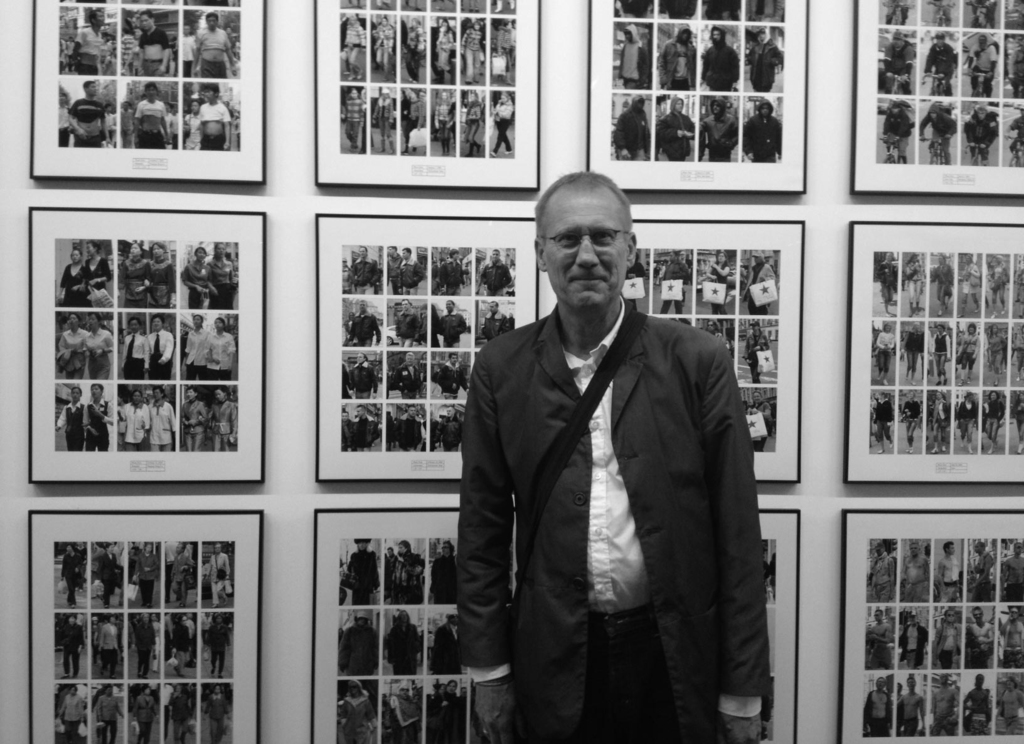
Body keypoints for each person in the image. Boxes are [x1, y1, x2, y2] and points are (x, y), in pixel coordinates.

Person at [457, 172, 770, 743]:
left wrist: (743, 690)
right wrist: (489, 672)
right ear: (540, 253)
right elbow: (482, 528)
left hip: (674, 658)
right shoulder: (501, 367)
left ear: (631, 249)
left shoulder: (697, 361)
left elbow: (738, 533)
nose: (586, 256)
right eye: (566, 238)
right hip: (551, 658)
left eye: (603, 237)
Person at [69, 80, 109, 148]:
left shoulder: (100, 105)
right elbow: (70, 118)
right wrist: (78, 129)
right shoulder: (78, 103)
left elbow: (103, 122)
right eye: (93, 87)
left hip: (95, 138)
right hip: (80, 138)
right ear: (86, 89)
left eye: (96, 87)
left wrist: (107, 137)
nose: (96, 88)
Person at [699, 97, 739, 162]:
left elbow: (738, 135)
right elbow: (699, 128)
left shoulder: (731, 120)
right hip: (712, 156)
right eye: (713, 105)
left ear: (722, 107)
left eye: (718, 105)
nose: (715, 107)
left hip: (725, 156)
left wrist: (731, 143)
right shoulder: (708, 120)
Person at [339, 610, 378, 676]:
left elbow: (375, 648)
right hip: (353, 666)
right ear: (357, 619)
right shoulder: (349, 631)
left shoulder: (371, 631)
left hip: (367, 665)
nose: (362, 620)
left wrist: (376, 661)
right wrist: (342, 663)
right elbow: (344, 648)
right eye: (360, 618)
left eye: (364, 619)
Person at [656, 96, 695, 161]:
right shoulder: (666, 118)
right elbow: (660, 133)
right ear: (673, 105)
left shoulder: (686, 118)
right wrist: (676, 132)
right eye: (678, 104)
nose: (681, 105)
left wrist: (691, 134)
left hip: (683, 151)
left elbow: (693, 129)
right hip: (672, 151)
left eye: (681, 104)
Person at [613, 95, 650, 162]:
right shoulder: (625, 115)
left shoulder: (643, 114)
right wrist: (622, 148)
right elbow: (619, 132)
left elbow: (646, 130)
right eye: (638, 102)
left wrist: (648, 148)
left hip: (640, 149)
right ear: (634, 102)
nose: (640, 104)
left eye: (642, 102)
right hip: (627, 150)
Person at [658, 26, 696, 90]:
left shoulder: (690, 48)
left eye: (687, 34)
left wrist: (693, 83)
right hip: (672, 80)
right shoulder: (669, 45)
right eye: (684, 33)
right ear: (680, 33)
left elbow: (693, 67)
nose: (685, 35)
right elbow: (661, 62)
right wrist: (663, 79)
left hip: (685, 81)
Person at [198, 84, 233, 151]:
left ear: (216, 94)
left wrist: (227, 142)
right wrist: (201, 140)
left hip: (218, 140)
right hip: (205, 140)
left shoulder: (222, 108)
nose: (206, 94)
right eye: (206, 92)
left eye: (209, 92)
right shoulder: (203, 107)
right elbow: (201, 125)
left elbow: (227, 126)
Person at [747, 28, 783, 93]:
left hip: (767, 79)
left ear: (767, 35)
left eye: (763, 34)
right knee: (756, 93)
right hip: (756, 79)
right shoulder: (755, 47)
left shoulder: (772, 46)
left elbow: (780, 58)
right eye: (760, 34)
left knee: (765, 94)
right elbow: (749, 57)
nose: (761, 35)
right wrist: (750, 60)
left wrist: (772, 61)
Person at [386, 609, 421, 674]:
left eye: (405, 615)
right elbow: (391, 644)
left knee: (411, 675)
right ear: (399, 617)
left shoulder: (413, 627)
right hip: (399, 657)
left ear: (407, 617)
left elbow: (417, 640)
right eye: (402, 615)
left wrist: (415, 651)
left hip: (411, 657)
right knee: (400, 675)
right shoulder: (394, 629)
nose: (404, 617)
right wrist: (391, 658)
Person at [881, 99, 914, 165]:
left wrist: (898, 136)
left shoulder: (903, 115)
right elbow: (886, 123)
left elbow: (903, 126)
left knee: (902, 151)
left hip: (904, 133)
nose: (893, 110)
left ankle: (905, 164)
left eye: (895, 109)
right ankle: (890, 156)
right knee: (889, 144)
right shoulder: (890, 113)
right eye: (892, 109)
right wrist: (885, 134)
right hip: (894, 132)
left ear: (899, 109)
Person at [348, 539, 380, 604]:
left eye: (364, 543)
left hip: (368, 586)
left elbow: (374, 570)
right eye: (360, 543)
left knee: (367, 604)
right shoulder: (353, 555)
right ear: (357, 544)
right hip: (357, 586)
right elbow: (349, 569)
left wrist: (375, 584)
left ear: (367, 544)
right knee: (357, 605)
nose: (362, 545)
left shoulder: (371, 554)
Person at [56, 385, 87, 452]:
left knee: (77, 452)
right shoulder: (67, 407)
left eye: (77, 393)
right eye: (73, 393)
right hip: (69, 434)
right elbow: (63, 418)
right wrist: (59, 426)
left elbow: (85, 422)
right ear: (71, 394)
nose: (75, 395)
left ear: (80, 395)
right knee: (70, 450)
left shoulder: (83, 408)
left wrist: (85, 435)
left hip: (79, 435)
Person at [968, 33, 998, 97]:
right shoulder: (975, 46)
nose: (981, 45)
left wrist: (991, 72)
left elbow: (993, 61)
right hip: (978, 67)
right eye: (980, 43)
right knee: (973, 80)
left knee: (988, 86)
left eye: (983, 43)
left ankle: (988, 98)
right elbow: (971, 58)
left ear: (986, 42)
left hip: (989, 69)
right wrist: (969, 69)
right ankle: (974, 90)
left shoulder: (991, 48)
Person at [206, 317, 236, 381]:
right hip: (212, 365)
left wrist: (230, 364)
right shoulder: (210, 337)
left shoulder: (229, 337)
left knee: (225, 384)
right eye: (216, 323)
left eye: (220, 322)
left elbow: (231, 351)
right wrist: (212, 359)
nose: (217, 324)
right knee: (212, 385)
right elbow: (207, 349)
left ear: (224, 325)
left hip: (225, 365)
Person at [210, 387, 238, 451]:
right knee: (215, 450)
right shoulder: (214, 405)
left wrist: (234, 432)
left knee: (226, 451)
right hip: (216, 431)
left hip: (227, 432)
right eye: (216, 395)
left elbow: (234, 420)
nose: (217, 396)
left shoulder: (231, 405)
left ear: (224, 393)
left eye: (219, 394)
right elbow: (210, 418)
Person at [184, 315, 211, 380]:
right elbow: (188, 348)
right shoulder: (190, 333)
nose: (195, 321)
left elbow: (209, 347)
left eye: (198, 319)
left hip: (202, 361)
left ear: (202, 322)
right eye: (194, 319)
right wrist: (186, 360)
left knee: (203, 381)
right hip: (191, 361)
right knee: (189, 380)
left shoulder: (207, 333)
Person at [135, 542, 160, 609]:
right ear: (145, 548)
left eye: (151, 548)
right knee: (143, 589)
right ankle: (144, 601)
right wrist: (135, 574)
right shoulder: (140, 556)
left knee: (149, 590)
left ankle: (149, 602)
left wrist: (150, 569)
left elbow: (157, 564)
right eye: (148, 547)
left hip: (150, 576)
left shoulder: (154, 556)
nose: (149, 549)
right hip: (142, 575)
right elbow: (137, 565)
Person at [60, 614, 85, 679]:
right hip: (67, 646)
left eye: (73, 618)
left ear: (75, 619)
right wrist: (62, 644)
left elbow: (81, 637)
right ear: (68, 619)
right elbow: (62, 636)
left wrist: (80, 646)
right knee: (65, 660)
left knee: (75, 661)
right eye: (70, 618)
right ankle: (66, 673)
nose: (72, 620)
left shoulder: (79, 627)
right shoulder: (66, 626)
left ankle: (75, 673)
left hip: (75, 646)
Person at [131, 613, 156, 677]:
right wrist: (138, 646)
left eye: (147, 617)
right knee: (141, 660)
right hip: (141, 647)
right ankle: (139, 671)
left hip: (148, 646)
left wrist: (154, 646)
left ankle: (145, 674)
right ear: (142, 619)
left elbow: (153, 636)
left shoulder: (151, 627)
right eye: (144, 617)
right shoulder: (139, 627)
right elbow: (137, 637)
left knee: (147, 660)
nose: (146, 619)